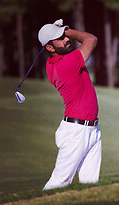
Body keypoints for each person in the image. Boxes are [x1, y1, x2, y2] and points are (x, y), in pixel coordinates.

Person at [38, 19, 101, 190]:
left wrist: (55, 31)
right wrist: (67, 29)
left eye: (64, 36)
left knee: (90, 186)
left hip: (90, 130)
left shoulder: (52, 64)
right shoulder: (67, 63)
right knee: (58, 183)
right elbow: (91, 39)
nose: (66, 39)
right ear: (50, 48)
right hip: (77, 133)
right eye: (61, 38)